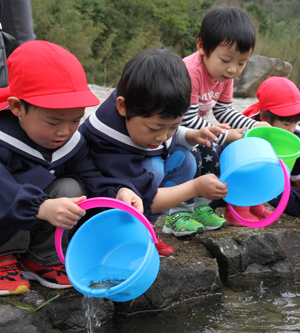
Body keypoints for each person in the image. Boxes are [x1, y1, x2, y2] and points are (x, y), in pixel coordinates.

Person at [0, 40, 143, 296]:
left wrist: (118, 192)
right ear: (18, 107)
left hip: (32, 215)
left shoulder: (69, 142)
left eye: (75, 119)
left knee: (71, 187)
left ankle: (41, 258)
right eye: (53, 121)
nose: (64, 131)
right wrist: (40, 206)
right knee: (13, 187)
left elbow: (90, 175)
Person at [80, 48, 229, 244]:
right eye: (154, 129)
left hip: (135, 188)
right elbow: (142, 196)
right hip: (103, 200)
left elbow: (167, 130)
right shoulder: (107, 139)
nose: (162, 137)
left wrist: (191, 134)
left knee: (185, 159)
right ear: (122, 107)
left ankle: (146, 224)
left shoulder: (146, 110)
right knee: (154, 168)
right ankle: (129, 228)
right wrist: (195, 188)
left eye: (173, 126)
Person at [179, 6, 270, 228]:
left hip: (195, 131)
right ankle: (184, 211)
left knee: (222, 152)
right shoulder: (190, 72)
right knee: (207, 151)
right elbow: (187, 119)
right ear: (201, 46)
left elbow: (224, 110)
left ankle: (203, 208)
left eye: (241, 63)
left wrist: (256, 126)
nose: (233, 70)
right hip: (174, 131)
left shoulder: (224, 75)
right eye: (226, 59)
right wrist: (226, 134)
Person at [234, 76, 300, 222]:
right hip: (232, 184)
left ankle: (254, 204)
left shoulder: (280, 131)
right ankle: (239, 207)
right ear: (265, 118)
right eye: (286, 124)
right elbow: (271, 183)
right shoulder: (250, 134)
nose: (292, 130)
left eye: (296, 124)